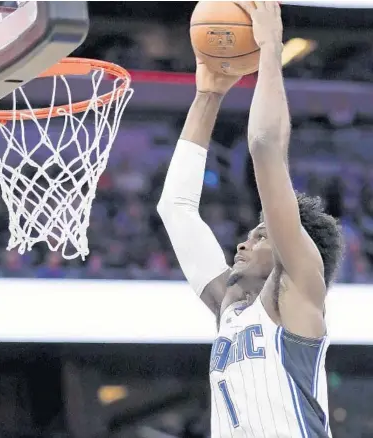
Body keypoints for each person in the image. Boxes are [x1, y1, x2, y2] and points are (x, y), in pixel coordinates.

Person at [157, 2, 343, 438]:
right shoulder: (232, 310)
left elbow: (264, 146)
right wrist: (208, 95)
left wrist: (270, 49)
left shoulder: (297, 289)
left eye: (260, 237)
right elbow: (176, 209)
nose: (242, 244)